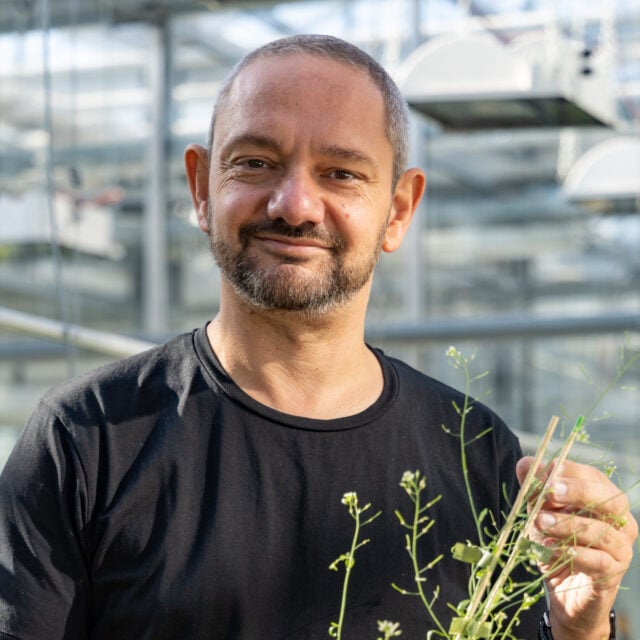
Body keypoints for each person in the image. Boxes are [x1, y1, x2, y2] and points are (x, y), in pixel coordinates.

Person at [0, 34, 636, 640]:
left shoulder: (475, 451)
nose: (295, 205)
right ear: (200, 188)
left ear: (399, 210)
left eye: (341, 173)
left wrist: (579, 625)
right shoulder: (87, 438)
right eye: (255, 162)